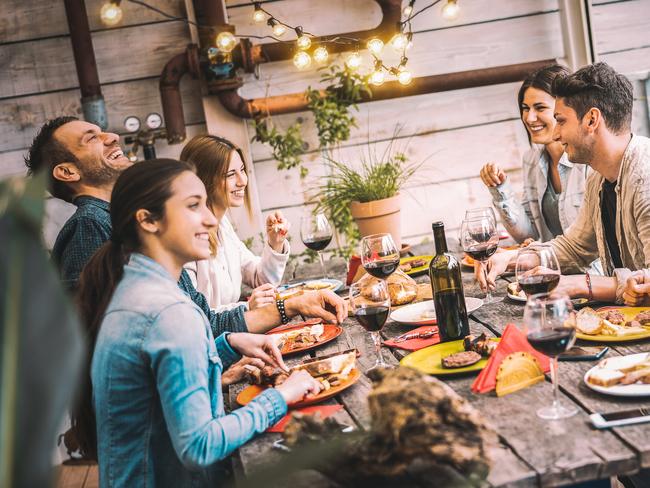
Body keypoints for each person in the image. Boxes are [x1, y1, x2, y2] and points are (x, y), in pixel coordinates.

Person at [75, 159, 322, 485]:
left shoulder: (132, 289)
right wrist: (282, 396)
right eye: (193, 206)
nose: (209, 219)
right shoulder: (169, 313)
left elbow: (155, 382)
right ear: (148, 220)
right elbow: (199, 446)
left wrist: (228, 343)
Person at [24, 117, 346, 338]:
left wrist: (289, 306)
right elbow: (94, 346)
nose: (112, 136)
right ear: (66, 171)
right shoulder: (89, 227)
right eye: (91, 138)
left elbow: (203, 321)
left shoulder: (123, 222)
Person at [475, 62, 650, 303]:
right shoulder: (599, 178)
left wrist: (579, 284)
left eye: (561, 121)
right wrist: (512, 259)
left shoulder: (645, 176)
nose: (556, 134)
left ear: (591, 120)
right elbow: (574, 247)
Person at [479, 64, 589, 242]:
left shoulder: (588, 163)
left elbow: (594, 246)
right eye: (525, 108)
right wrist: (500, 189)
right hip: (552, 266)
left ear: (563, 109)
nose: (529, 118)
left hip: (592, 269)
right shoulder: (531, 159)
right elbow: (529, 235)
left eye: (540, 108)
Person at [180, 135, 290, 311]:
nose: (242, 181)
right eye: (230, 174)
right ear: (203, 180)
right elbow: (194, 315)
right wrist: (247, 308)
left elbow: (259, 278)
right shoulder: (184, 238)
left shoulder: (223, 225)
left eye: (242, 170)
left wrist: (275, 242)